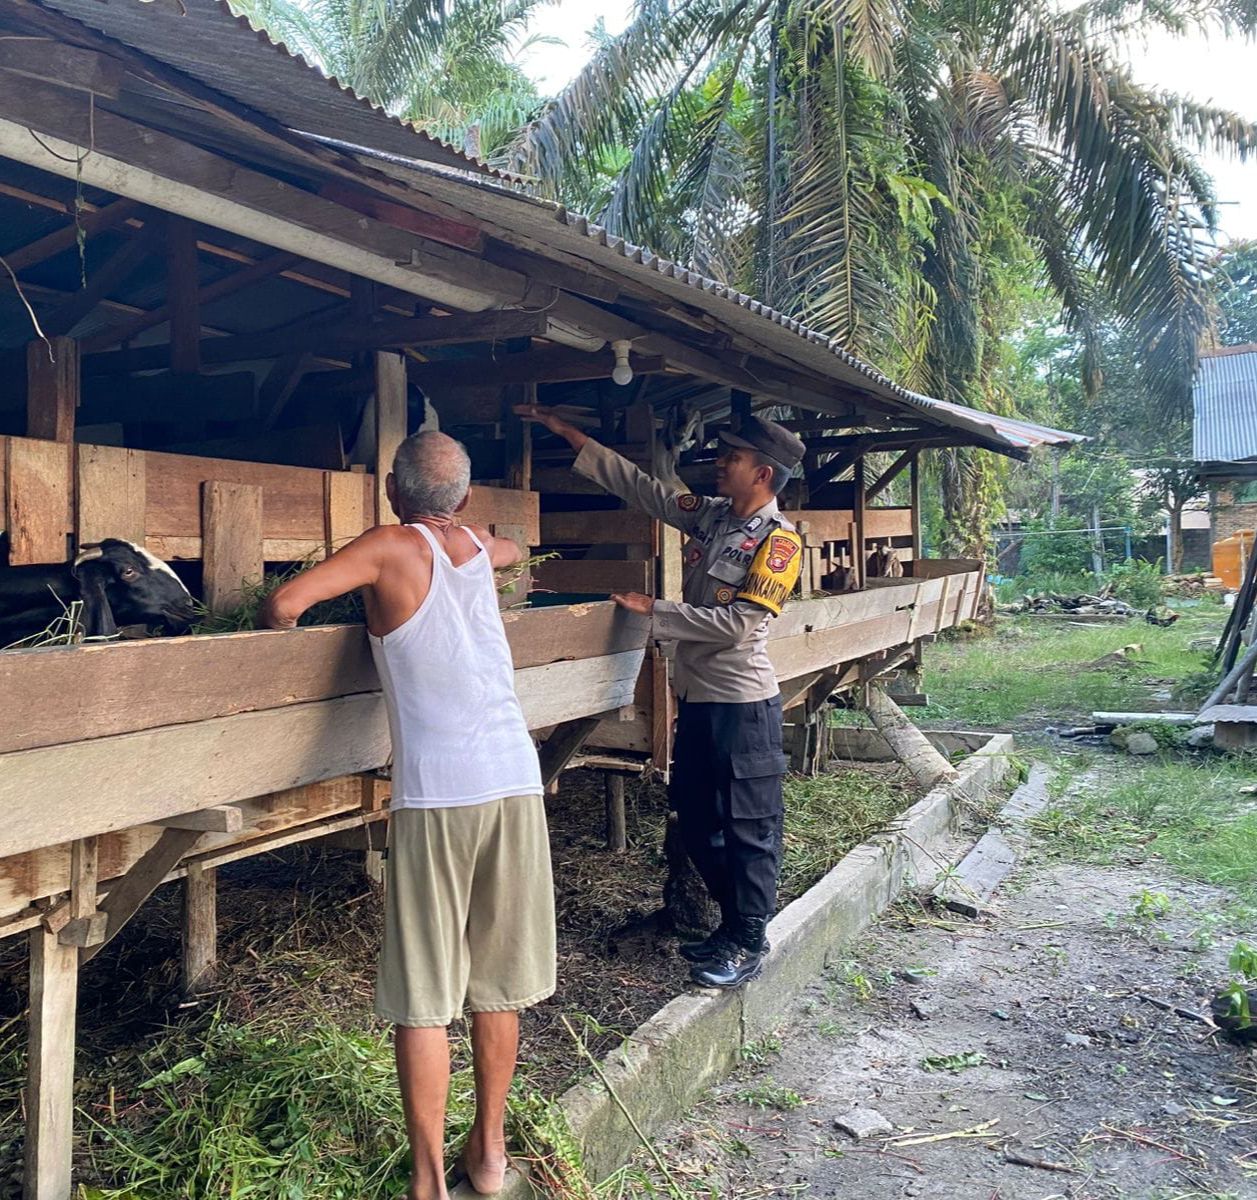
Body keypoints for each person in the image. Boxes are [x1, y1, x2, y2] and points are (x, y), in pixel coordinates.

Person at [262, 431, 554, 1200]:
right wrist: (493, 538)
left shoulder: (388, 547)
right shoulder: (477, 547)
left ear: (392, 491)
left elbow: (284, 603)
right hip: (515, 779)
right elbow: (515, 550)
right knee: (499, 984)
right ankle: (488, 1162)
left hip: (440, 791)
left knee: (425, 993)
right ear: (459, 499)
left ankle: (428, 1185)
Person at [515, 403, 805, 989]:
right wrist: (575, 436)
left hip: (743, 705)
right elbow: (648, 491)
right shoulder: (715, 518)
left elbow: (740, 626)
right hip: (698, 698)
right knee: (696, 819)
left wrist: (659, 612)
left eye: (733, 456)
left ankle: (749, 938)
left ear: (764, 475)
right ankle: (734, 923)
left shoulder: (778, 544)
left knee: (748, 824)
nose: (719, 463)